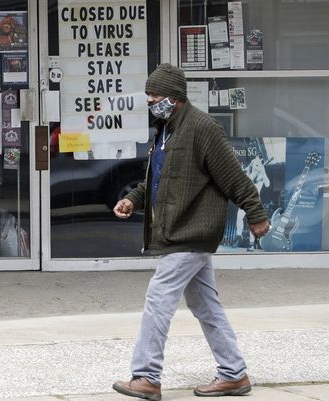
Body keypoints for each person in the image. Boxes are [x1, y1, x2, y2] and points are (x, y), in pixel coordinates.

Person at [111, 63, 270, 400]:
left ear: (174, 97)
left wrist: (255, 214)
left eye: (154, 97)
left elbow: (234, 177)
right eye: (149, 97)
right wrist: (132, 200)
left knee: (158, 298)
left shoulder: (201, 128)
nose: (151, 102)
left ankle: (146, 376)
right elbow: (159, 180)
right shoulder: (165, 129)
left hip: (191, 230)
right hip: (179, 230)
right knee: (206, 306)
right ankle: (234, 374)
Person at [235, 154, 270, 249]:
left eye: (259, 164)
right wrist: (254, 173)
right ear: (252, 164)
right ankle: (239, 235)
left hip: (254, 201)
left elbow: (267, 184)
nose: (257, 166)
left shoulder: (261, 175)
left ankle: (251, 244)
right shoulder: (247, 172)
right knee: (239, 217)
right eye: (255, 164)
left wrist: (263, 171)